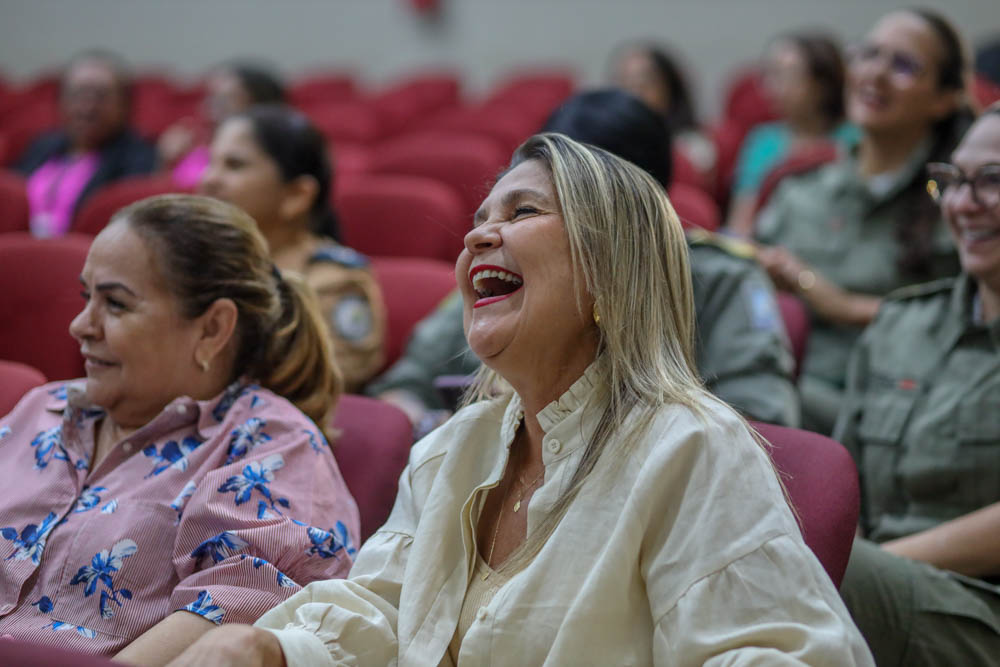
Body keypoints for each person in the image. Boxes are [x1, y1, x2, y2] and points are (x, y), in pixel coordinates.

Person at [168, 133, 871, 666]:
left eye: (523, 210)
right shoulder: (457, 442)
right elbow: (383, 607)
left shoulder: (691, 446)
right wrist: (269, 649)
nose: (478, 234)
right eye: (478, 216)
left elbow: (781, 654)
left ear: (608, 271)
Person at [0, 195, 359, 661]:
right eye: (87, 297)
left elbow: (236, 610)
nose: (79, 325)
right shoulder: (42, 408)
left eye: (115, 304)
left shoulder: (268, 443)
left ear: (212, 329)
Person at [368, 89, 798, 434]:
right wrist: (437, 427)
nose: (480, 235)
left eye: (527, 211)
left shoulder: (719, 276)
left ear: (639, 203)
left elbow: (762, 424)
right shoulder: (501, 269)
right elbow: (407, 383)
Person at [754, 8, 972, 433]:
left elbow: (974, 316)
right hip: (784, 390)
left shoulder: (964, 201)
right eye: (868, 54)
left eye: (905, 65)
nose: (876, 74)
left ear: (945, 98)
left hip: (901, 407)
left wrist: (843, 305)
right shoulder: (799, 190)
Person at [834, 106, 1000, 665]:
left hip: (982, 608)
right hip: (870, 583)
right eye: (951, 182)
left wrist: (852, 564)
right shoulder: (902, 323)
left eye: (993, 181)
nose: (962, 204)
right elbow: (842, 481)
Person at [199, 105, 385, 391]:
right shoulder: (193, 263)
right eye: (211, 162)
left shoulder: (335, 281)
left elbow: (325, 382)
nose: (209, 179)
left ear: (297, 195)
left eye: (234, 165)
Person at [727, 31, 860, 236]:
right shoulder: (763, 141)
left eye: (785, 76)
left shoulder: (856, 139)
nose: (771, 87)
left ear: (822, 84)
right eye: (768, 75)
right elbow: (741, 224)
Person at [16, 50, 156, 238]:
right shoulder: (43, 145)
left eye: (100, 96)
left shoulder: (138, 158)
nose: (87, 106)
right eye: (77, 94)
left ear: (124, 105)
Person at [159, 62, 286, 187]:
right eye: (210, 98)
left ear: (259, 106)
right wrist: (168, 160)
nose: (211, 109)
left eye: (224, 100)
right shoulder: (197, 144)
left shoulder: (269, 152)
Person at [610, 42, 716, 177]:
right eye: (624, 83)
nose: (634, 94)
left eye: (643, 84)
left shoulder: (694, 150)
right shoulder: (602, 149)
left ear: (669, 88)